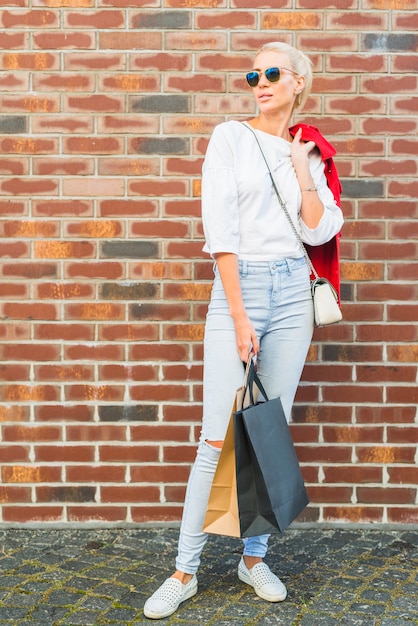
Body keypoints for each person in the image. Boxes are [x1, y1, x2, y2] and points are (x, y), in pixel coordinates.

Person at [143, 41, 344, 620]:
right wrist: (237, 314)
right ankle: (184, 570)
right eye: (253, 73)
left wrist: (304, 169)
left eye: (273, 73)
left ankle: (252, 559)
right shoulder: (231, 136)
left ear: (299, 82)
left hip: (292, 295)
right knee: (215, 438)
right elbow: (220, 229)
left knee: (267, 432)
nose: (260, 81)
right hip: (244, 287)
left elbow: (319, 228)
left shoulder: (309, 150)